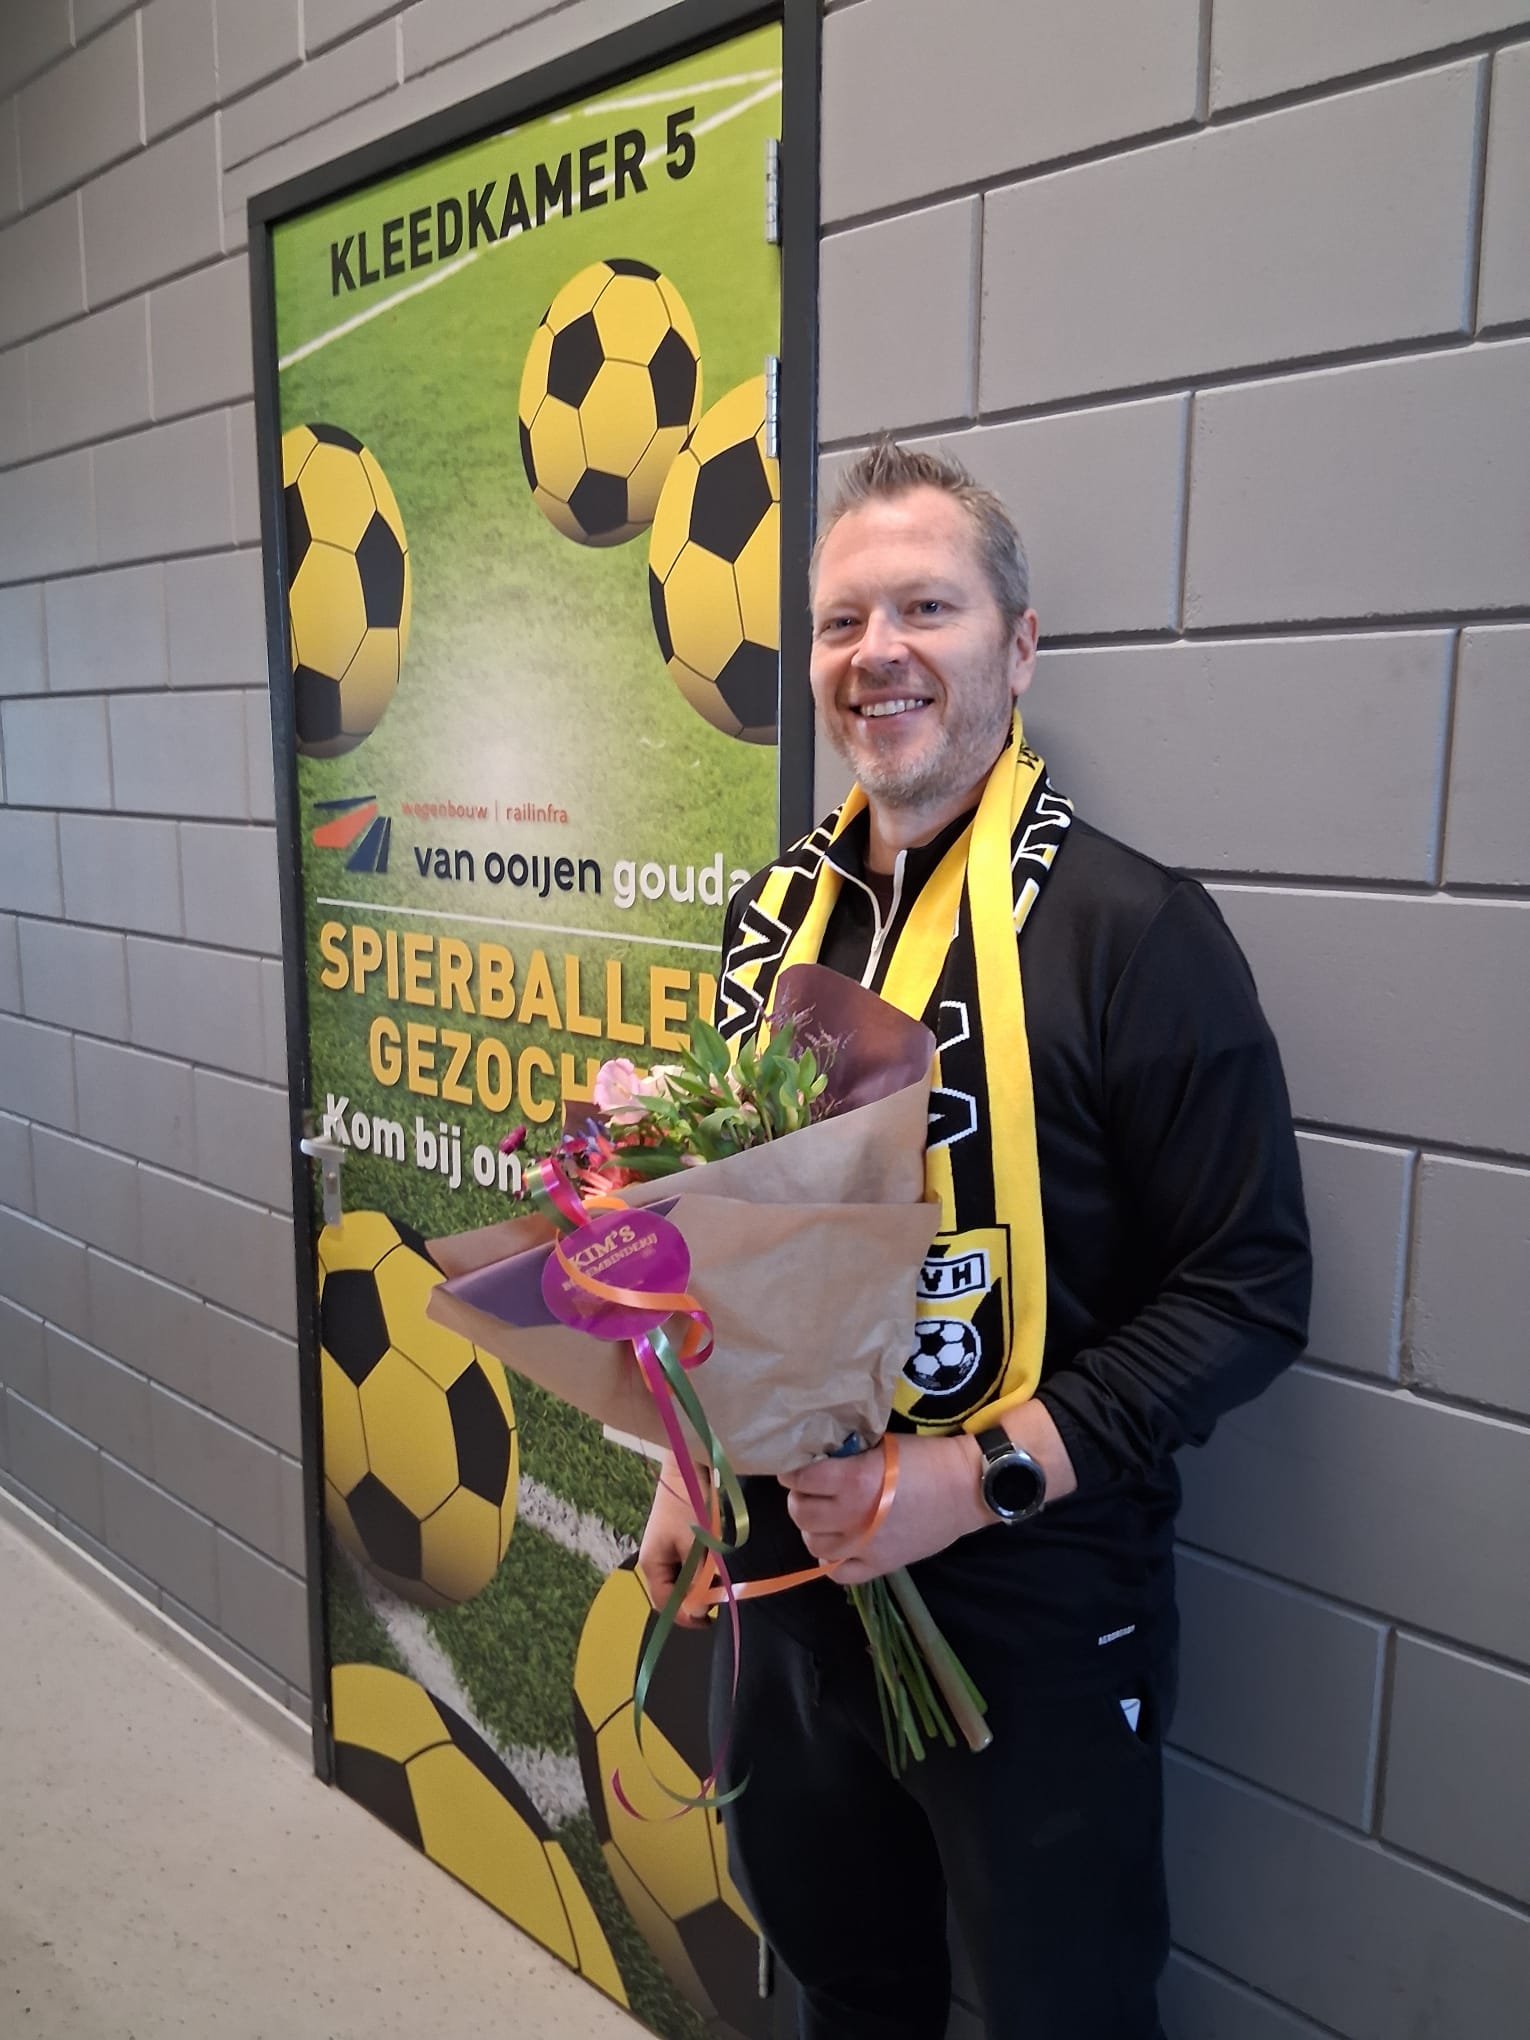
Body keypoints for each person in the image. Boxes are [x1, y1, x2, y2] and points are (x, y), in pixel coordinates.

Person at [638, 440, 1311, 2040]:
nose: (875, 651)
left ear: (1017, 648)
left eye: (924, 608)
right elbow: (731, 1236)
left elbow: (1248, 1293)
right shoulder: (770, 925)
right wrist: (685, 1464)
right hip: (793, 1562)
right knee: (845, 1977)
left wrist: (972, 1477)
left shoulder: (1133, 933)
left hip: (1034, 1591)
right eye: (839, 621)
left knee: (1057, 2007)